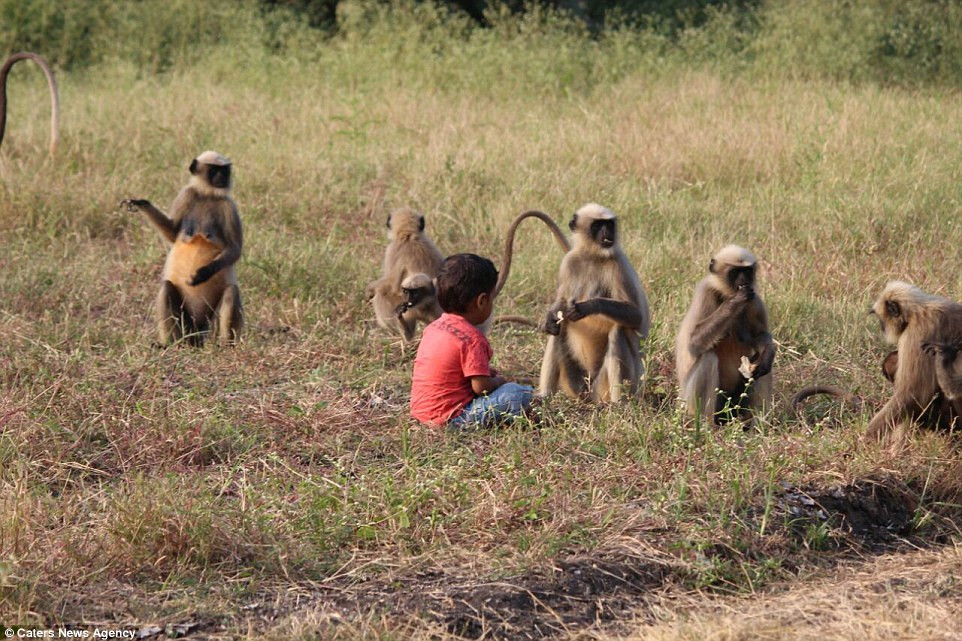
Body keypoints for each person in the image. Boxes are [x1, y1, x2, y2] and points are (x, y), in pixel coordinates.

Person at [410, 253, 534, 428]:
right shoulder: (472, 339)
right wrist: (499, 381)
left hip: (421, 413)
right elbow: (481, 388)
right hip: (452, 420)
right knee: (517, 393)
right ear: (482, 301)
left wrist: (485, 372)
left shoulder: (433, 328)